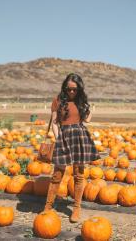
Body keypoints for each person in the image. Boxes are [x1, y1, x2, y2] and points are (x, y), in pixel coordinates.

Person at [44, 73, 100, 223]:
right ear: (65, 88)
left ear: (79, 89)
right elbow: (55, 122)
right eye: (69, 89)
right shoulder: (57, 101)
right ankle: (48, 206)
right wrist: (58, 138)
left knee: (78, 175)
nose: (72, 92)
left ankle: (76, 208)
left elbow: (86, 120)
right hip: (64, 137)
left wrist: (90, 108)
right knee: (57, 174)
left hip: (79, 137)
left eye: (75, 90)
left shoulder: (80, 102)